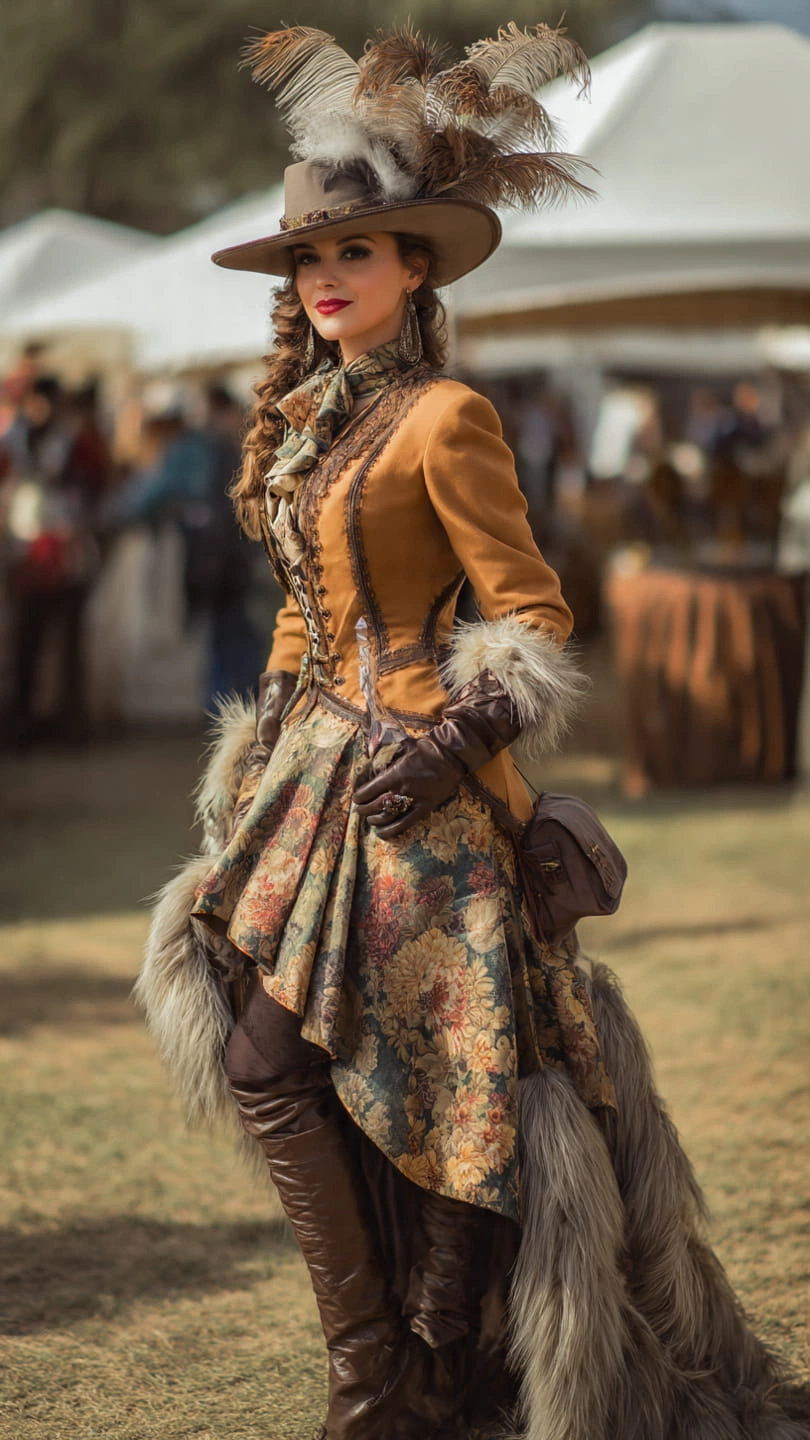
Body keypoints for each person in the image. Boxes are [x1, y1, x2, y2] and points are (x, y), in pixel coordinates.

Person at [137, 24, 807, 1440]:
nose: (325, 279)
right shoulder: (309, 428)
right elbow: (299, 619)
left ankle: (424, 1370)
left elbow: (534, 613)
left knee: (450, 1084)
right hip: (312, 789)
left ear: (415, 268)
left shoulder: (446, 417)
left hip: (426, 792)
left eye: (355, 256)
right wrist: (255, 749)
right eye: (311, 262)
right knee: (268, 1061)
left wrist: (454, 738)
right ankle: (380, 1371)